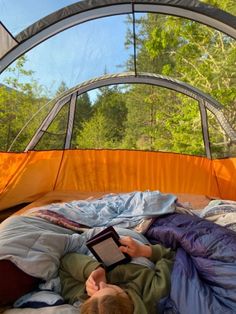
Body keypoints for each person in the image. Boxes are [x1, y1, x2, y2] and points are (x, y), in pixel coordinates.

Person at [59, 234, 175, 314]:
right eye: (109, 287)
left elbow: (65, 262)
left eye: (95, 294)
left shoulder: (84, 302)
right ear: (126, 297)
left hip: (95, 245)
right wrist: (144, 250)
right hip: (136, 244)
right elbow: (170, 256)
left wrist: (93, 270)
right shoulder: (155, 292)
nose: (102, 285)